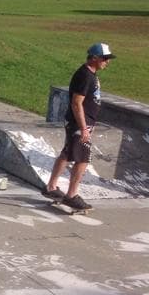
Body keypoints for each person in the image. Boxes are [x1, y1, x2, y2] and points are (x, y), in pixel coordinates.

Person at [43, 42, 116, 211]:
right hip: (79, 124)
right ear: (94, 58)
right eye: (105, 58)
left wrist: (90, 123)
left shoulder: (91, 73)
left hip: (81, 123)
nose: (108, 62)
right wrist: (84, 128)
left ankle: (51, 187)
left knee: (67, 153)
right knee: (82, 159)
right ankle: (71, 195)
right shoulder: (85, 75)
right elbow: (77, 103)